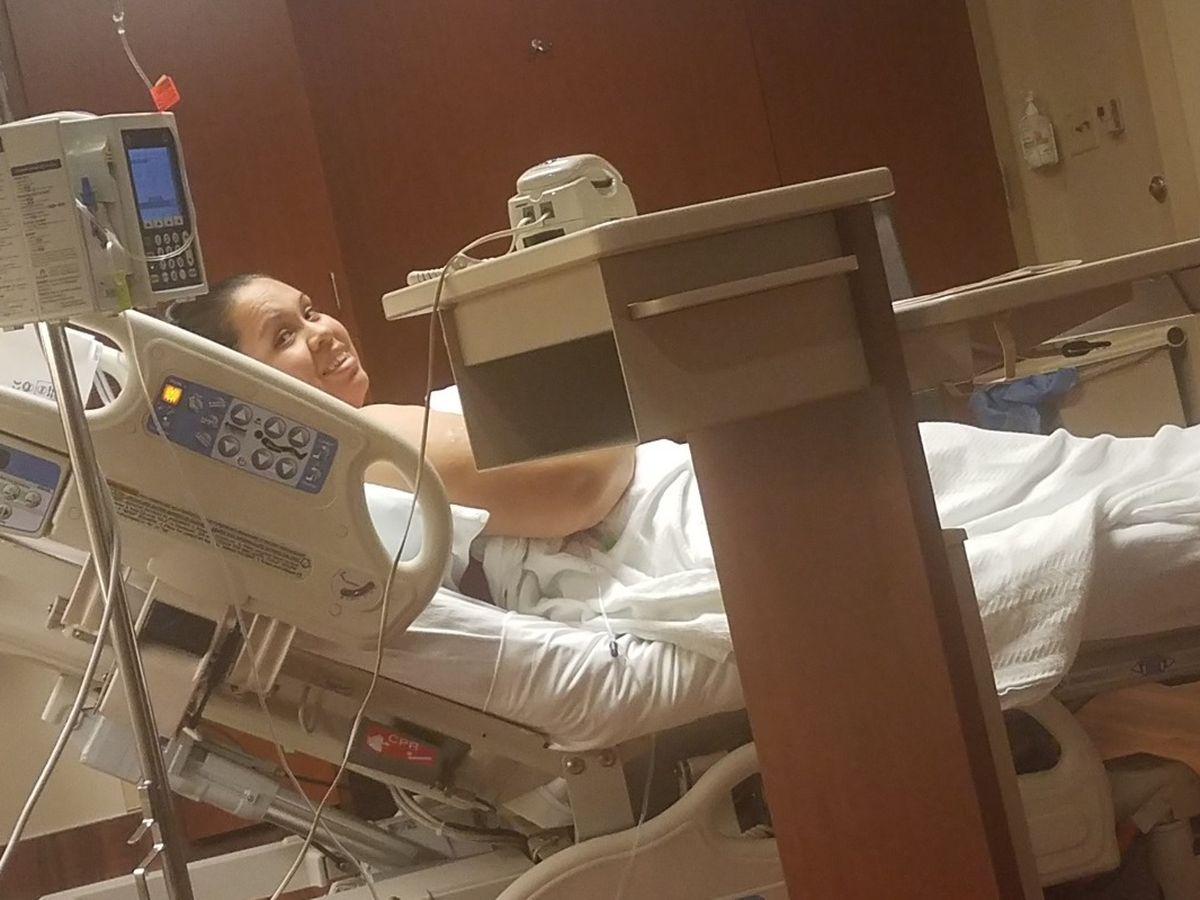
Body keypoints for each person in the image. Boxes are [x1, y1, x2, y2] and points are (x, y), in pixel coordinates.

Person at [166, 274, 635, 539]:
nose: (322, 332)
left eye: (310, 312)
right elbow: (579, 482)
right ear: (244, 390)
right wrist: (623, 413)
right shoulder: (362, 441)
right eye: (284, 336)